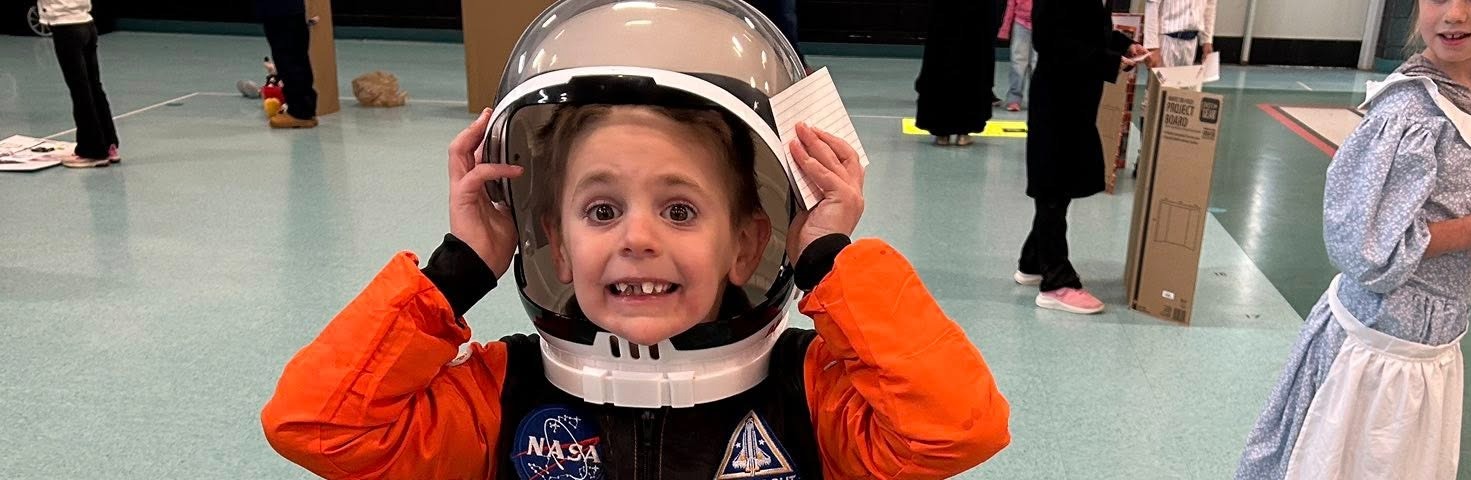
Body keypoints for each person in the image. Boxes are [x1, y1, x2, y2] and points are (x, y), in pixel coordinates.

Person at [260, 1, 1011, 478]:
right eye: (600, 211)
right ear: (550, 238)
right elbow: (318, 427)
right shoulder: (502, 398)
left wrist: (827, 259)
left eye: (680, 210)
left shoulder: (806, 396)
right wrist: (457, 272)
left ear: (750, 244)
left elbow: (956, 430)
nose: (638, 238)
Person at [1236, 0, 1471, 477]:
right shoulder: (1408, 111)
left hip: (1435, 347)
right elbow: (1360, 245)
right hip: (1374, 348)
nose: (1452, 14)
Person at [1013, 0, 1144, 314]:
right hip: (1058, 100)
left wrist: (1125, 46)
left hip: (1075, 100)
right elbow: (1052, 42)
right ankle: (1057, 283)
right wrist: (1110, 62)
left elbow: (1085, 31)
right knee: (1053, 187)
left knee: (1062, 183)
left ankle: (1033, 262)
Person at [39, 0, 120, 168]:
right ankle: (108, 144)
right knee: (93, 86)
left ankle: (92, 150)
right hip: (86, 24)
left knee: (80, 89)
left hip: (66, 27)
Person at [914, 0, 996, 146]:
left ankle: (942, 133)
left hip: (944, 19)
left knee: (942, 64)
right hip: (976, 21)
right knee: (972, 67)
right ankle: (964, 132)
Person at [257, 0, 319, 129]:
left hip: (282, 10)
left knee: (289, 57)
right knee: (294, 56)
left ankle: (300, 113)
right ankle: (303, 110)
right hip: (286, 10)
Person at [1144, 0, 1218, 68]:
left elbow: (1209, 6)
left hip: (1191, 41)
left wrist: (1207, 40)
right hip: (1166, 40)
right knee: (1160, 81)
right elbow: (1152, 5)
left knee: (1186, 81)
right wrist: (1152, 47)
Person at [996, 0, 1035, 112]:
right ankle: (1014, 99)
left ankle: (1037, 98)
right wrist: (1005, 28)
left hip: (1042, 22)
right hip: (1021, 24)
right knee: (1018, 63)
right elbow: (1011, 5)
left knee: (1037, 64)